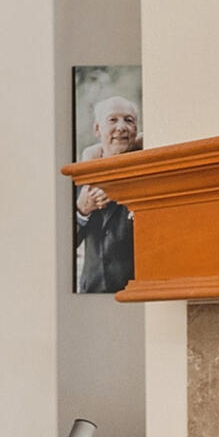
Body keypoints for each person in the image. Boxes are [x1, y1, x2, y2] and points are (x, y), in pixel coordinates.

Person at [74, 93, 140, 294]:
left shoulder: (145, 172)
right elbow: (64, 246)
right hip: (92, 293)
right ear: (97, 129)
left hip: (135, 292)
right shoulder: (80, 177)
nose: (121, 127)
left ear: (136, 130)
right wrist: (82, 211)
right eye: (112, 120)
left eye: (128, 120)